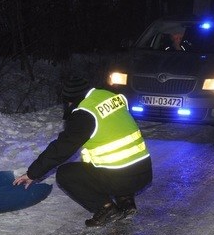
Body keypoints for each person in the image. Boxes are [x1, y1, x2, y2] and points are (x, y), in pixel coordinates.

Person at [13, 76, 153, 227]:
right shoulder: (110, 96)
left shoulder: (85, 114)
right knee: (116, 162)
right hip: (144, 172)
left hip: (121, 178)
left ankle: (106, 208)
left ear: (70, 100)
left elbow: (61, 149)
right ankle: (126, 202)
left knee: (65, 174)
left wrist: (32, 173)